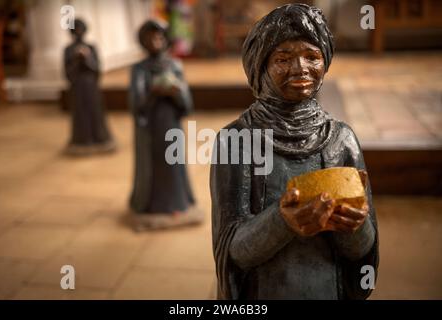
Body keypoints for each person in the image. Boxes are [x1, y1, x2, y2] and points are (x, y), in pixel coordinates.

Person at [211, 4, 379, 299]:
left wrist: (354, 225)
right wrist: (282, 221)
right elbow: (231, 252)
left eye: (311, 56)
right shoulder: (236, 141)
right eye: (283, 58)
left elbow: (364, 252)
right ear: (260, 66)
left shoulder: (341, 139)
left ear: (325, 62)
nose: (300, 68)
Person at [128, 20, 202, 230]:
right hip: (151, 128)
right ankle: (152, 204)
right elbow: (135, 104)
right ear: (143, 41)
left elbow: (187, 104)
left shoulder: (174, 65)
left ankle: (177, 202)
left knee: (173, 162)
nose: (155, 42)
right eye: (150, 38)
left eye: (159, 37)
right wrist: (153, 92)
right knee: (154, 165)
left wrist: (175, 92)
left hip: (171, 123)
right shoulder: (139, 69)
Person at [64, 18, 115, 155]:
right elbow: (67, 73)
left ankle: (99, 137)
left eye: (81, 29)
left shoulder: (91, 47)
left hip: (91, 85)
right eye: (76, 30)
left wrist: (86, 59)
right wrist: (76, 59)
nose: (79, 33)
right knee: (80, 113)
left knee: (95, 112)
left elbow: (97, 69)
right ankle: (82, 139)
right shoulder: (68, 50)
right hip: (78, 87)